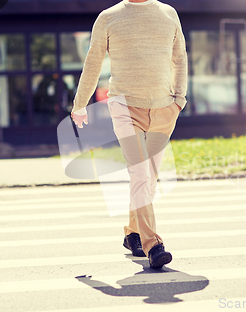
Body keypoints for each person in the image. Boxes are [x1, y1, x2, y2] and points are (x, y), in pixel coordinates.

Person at [70, 0, 187, 269]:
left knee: (150, 179)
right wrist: (79, 105)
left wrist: (178, 99)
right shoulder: (108, 17)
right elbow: (93, 62)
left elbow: (179, 57)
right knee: (140, 173)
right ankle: (153, 245)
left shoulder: (169, 14)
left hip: (164, 108)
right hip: (125, 107)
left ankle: (132, 232)